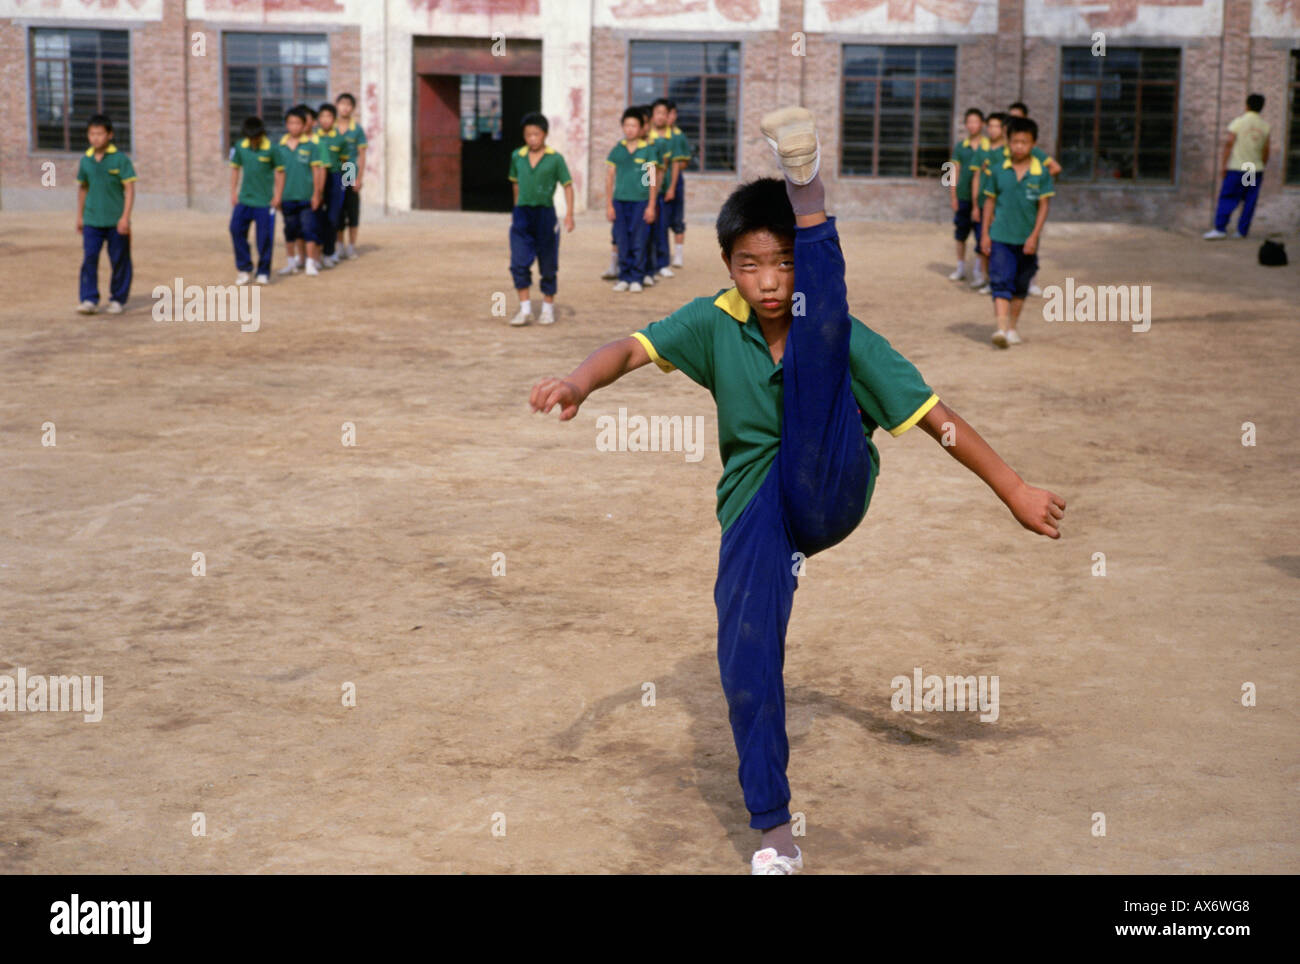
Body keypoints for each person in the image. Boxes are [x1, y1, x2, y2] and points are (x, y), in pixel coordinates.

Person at [529, 106, 1066, 874]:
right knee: (744, 658)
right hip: (761, 508)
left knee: (824, 331)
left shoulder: (838, 329)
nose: (770, 281)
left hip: (834, 482)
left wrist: (1012, 487)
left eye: (784, 261)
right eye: (751, 265)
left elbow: (935, 419)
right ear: (728, 268)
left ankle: (806, 190)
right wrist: (577, 382)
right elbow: (632, 348)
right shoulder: (715, 320)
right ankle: (775, 832)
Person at [980, 116, 1054, 348]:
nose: (1019, 146)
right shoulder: (997, 171)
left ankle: (1012, 327)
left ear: (1033, 144)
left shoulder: (1041, 172)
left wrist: (1034, 236)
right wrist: (985, 234)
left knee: (1021, 286)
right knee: (1000, 282)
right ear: (1008, 143)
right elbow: (989, 204)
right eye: (1015, 142)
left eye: (1024, 142)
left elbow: (1043, 206)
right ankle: (1001, 329)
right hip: (1000, 236)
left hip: (1026, 240)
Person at [507, 111, 575, 326]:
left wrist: (570, 215)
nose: (532, 139)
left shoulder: (555, 159)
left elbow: (567, 185)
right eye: (528, 135)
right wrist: (517, 208)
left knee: (548, 264)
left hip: (545, 215)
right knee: (518, 263)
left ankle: (547, 308)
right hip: (522, 215)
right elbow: (515, 183)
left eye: (536, 134)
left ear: (545, 134)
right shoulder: (517, 156)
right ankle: (525, 309)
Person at [75, 113, 136, 315]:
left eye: (99, 134)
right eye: (92, 134)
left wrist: (125, 217)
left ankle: (118, 299)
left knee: (119, 259)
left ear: (109, 135)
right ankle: (89, 299)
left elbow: (129, 189)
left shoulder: (120, 160)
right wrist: (80, 216)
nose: (95, 138)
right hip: (92, 220)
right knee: (89, 258)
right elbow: (83, 188)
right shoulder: (86, 160)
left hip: (116, 221)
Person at [605, 108, 658, 293]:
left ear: (641, 128)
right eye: (626, 125)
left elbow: (651, 180)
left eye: (634, 125)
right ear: (622, 127)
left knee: (639, 240)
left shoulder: (647, 151)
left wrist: (651, 205)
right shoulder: (617, 150)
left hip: (640, 202)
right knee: (622, 240)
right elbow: (610, 178)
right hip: (620, 202)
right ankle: (624, 277)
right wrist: (609, 204)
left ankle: (637, 277)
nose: (630, 129)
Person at [1203, 94, 1271, 240]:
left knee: (1229, 197)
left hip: (1237, 167)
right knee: (1248, 199)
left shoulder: (1239, 122)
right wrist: (1261, 164)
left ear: (1246, 105)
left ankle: (1220, 228)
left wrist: (1223, 165)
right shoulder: (1264, 126)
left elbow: (1229, 143)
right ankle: (1242, 231)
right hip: (1252, 168)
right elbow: (1266, 150)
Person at [274, 107, 323, 277]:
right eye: (290, 123)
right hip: (287, 197)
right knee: (290, 230)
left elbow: (317, 170)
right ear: (286, 125)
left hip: (306, 197)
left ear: (304, 126)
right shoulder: (279, 147)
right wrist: (277, 196)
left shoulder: (311, 146)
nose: (294, 126)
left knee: (309, 229)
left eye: (297, 123)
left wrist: (316, 194)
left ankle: (310, 263)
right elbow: (278, 173)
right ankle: (291, 263)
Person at [228, 116, 276, 285]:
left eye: (256, 138)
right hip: (244, 200)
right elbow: (235, 168)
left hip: (265, 202)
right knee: (235, 229)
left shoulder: (271, 148)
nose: (254, 141)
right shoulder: (240, 146)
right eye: (250, 138)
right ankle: (244, 268)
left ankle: (263, 271)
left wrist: (277, 196)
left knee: (264, 238)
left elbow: (280, 172)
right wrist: (233, 192)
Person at [948, 107, 989, 285]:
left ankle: (978, 271)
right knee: (960, 234)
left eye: (976, 121)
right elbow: (952, 171)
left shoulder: (988, 147)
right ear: (965, 125)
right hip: (963, 196)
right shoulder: (960, 147)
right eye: (969, 122)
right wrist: (953, 196)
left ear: (983, 124)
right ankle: (960, 267)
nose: (972, 125)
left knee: (981, 235)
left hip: (982, 199)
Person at [968, 111, 1007, 293]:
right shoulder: (961, 147)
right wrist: (952, 192)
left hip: (1000, 207)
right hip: (977, 201)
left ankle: (997, 278)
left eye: (996, 126)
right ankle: (982, 276)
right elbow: (952, 168)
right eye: (989, 126)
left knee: (999, 244)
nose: (991, 130)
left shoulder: (1007, 152)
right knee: (979, 240)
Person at [334, 92, 367, 259]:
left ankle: (351, 246)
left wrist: (359, 179)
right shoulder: (330, 128)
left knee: (351, 210)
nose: (345, 107)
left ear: (353, 108)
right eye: (342, 103)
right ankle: (339, 246)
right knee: (337, 210)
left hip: (349, 169)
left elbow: (361, 155)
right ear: (337, 105)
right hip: (333, 170)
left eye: (348, 104)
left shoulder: (357, 130)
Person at [314, 102, 345, 267]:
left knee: (333, 217)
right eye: (322, 116)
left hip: (335, 178)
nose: (325, 120)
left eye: (329, 116)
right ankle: (316, 255)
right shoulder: (313, 137)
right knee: (317, 216)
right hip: (318, 178)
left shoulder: (340, 138)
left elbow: (348, 161)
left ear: (334, 119)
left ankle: (329, 252)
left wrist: (348, 184)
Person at [667, 102, 691, 268]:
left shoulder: (679, 136)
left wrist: (671, 165)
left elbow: (684, 162)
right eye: (668, 113)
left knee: (677, 219)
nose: (671, 117)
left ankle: (678, 255)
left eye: (673, 113)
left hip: (675, 184)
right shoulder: (652, 137)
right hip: (655, 185)